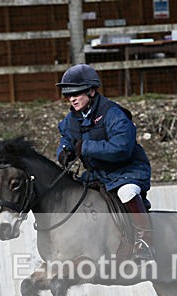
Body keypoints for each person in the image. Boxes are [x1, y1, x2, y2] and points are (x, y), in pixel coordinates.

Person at [55, 63, 154, 261]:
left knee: (126, 192)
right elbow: (67, 139)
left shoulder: (114, 114)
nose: (71, 98)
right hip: (98, 174)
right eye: (68, 95)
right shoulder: (71, 119)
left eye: (76, 93)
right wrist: (64, 152)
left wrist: (86, 147)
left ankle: (145, 242)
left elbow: (122, 149)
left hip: (127, 171)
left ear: (91, 91)